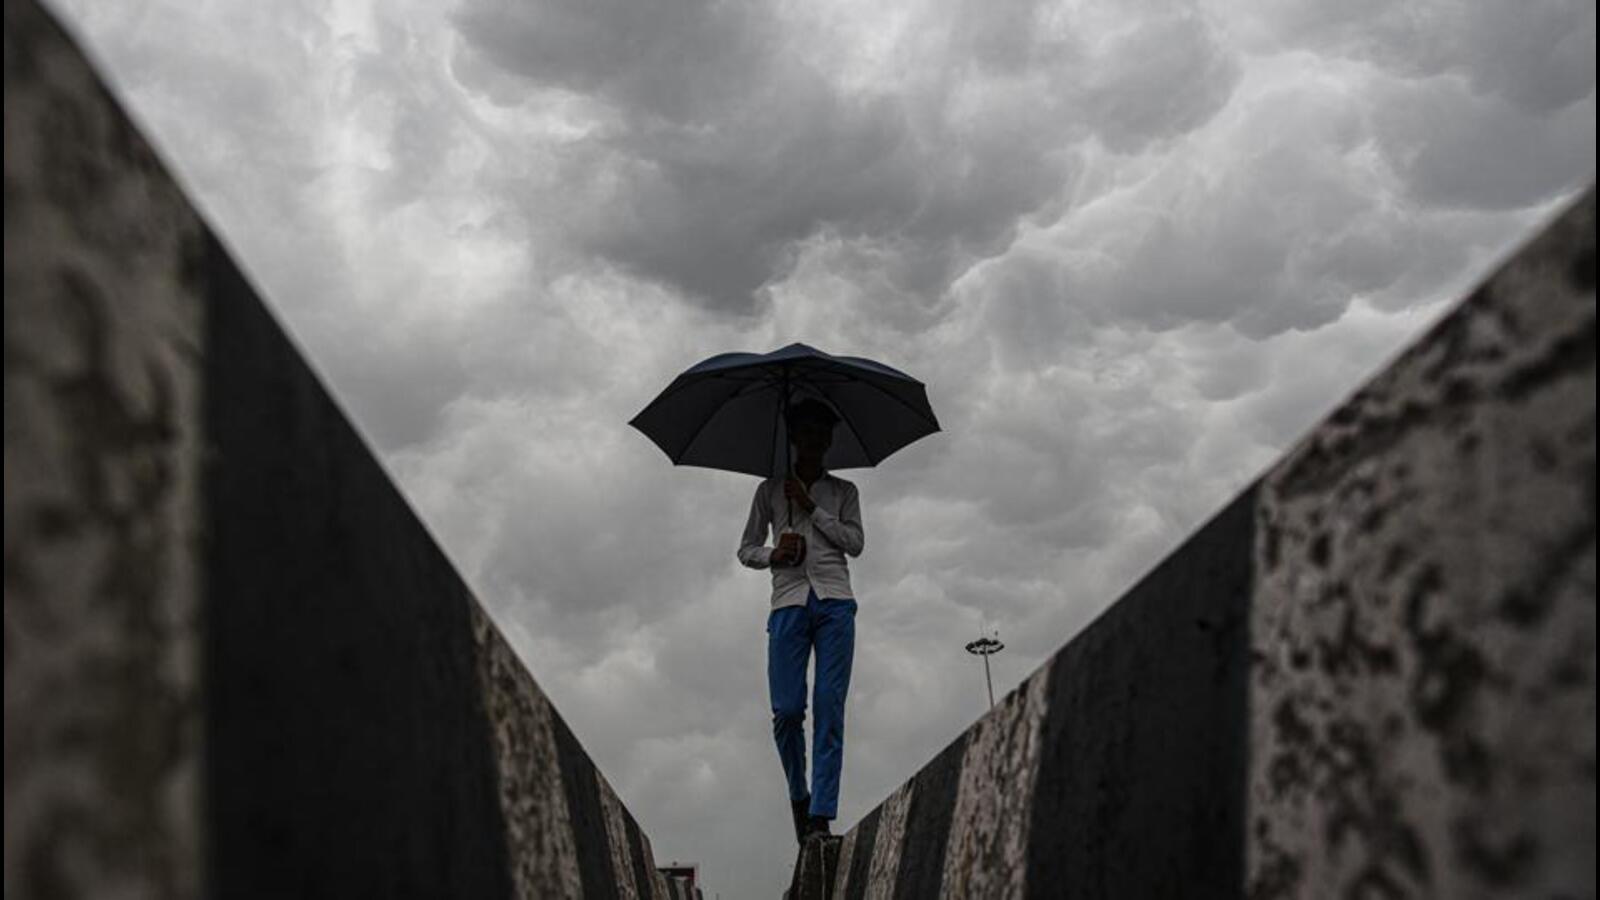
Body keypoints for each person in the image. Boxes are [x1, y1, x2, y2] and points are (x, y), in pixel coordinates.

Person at [737, 398, 865, 845]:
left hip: (835, 603)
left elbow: (855, 543)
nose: (815, 440)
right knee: (788, 711)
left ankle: (821, 817)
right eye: (807, 432)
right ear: (794, 437)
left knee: (830, 707)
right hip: (788, 602)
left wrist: (812, 508)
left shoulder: (843, 491)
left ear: (829, 440)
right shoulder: (769, 491)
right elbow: (746, 548)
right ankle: (800, 798)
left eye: (822, 433)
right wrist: (775, 553)